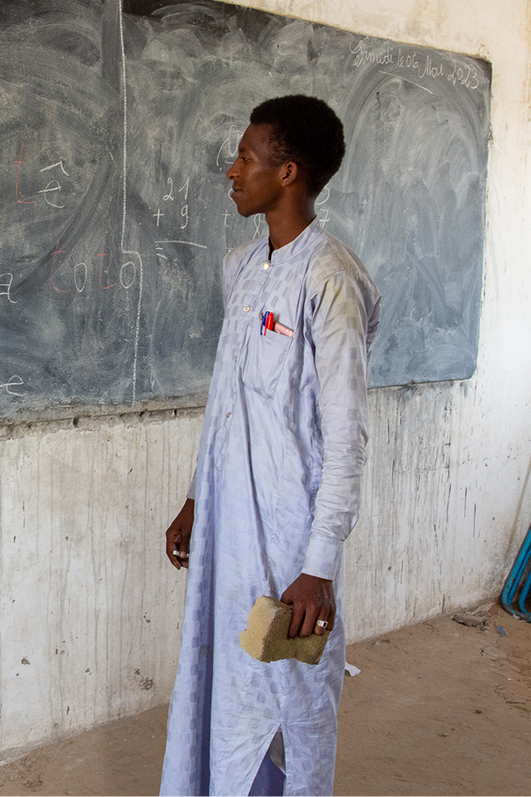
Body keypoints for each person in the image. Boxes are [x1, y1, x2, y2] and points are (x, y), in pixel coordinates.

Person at [160, 96, 381, 797]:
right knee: (224, 678)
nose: (231, 170)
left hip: (289, 544)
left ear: (287, 172)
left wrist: (318, 564)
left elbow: (344, 435)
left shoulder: (328, 279)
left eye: (246, 159)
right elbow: (226, 399)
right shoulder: (240, 266)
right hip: (227, 531)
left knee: (287, 692)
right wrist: (198, 494)